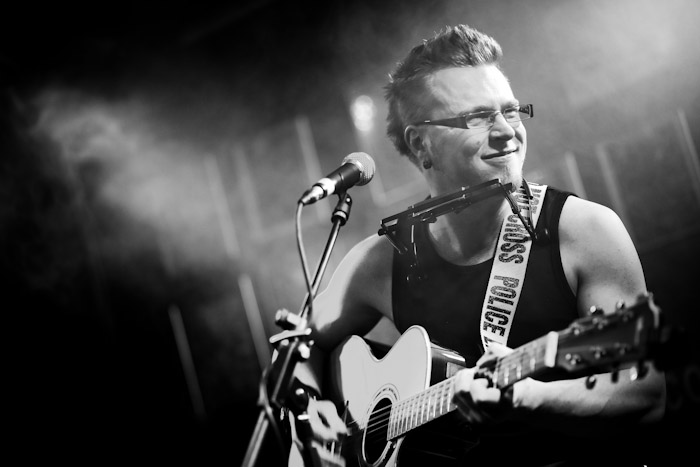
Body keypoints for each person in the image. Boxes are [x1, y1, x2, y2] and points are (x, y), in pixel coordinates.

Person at [285, 24, 666, 467]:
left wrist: (529, 398)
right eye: (478, 117)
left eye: (512, 111)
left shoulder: (584, 230)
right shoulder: (380, 261)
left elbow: (649, 392)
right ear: (421, 144)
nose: (507, 132)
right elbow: (294, 351)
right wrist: (308, 407)